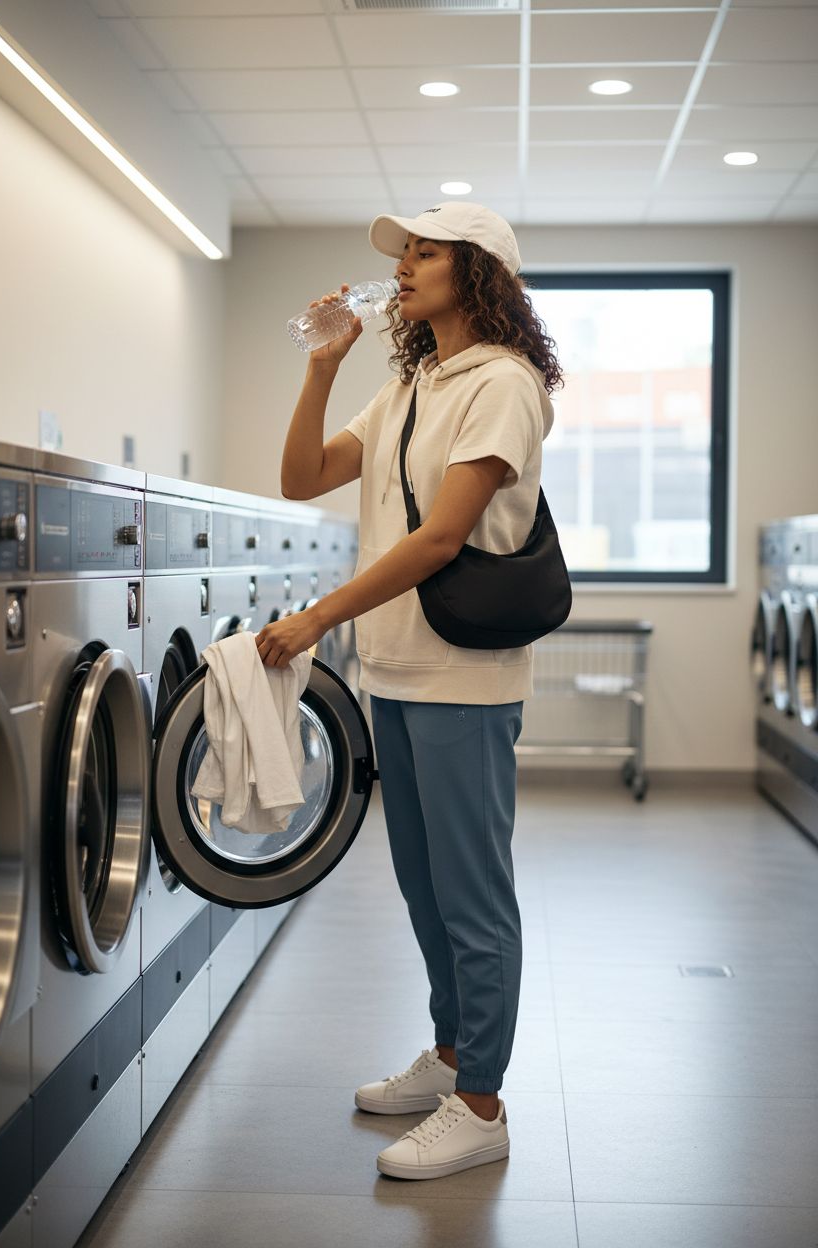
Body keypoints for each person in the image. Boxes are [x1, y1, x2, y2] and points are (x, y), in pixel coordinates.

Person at [255, 201, 563, 1181]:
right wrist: (322, 363)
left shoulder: (502, 383)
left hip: (463, 672)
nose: (404, 267)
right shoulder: (408, 386)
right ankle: (449, 1057)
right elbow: (302, 476)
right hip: (394, 665)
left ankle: (482, 1103)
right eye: (404, 254)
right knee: (423, 888)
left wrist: (317, 618)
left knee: (472, 893)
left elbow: (441, 538)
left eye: (426, 252)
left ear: (477, 273)